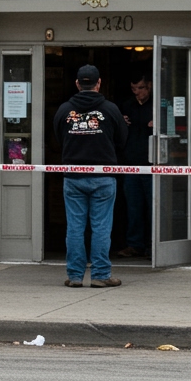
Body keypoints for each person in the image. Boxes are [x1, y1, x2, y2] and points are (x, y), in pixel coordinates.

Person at [54, 65, 127, 288]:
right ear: (99, 83)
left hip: (73, 175)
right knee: (101, 227)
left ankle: (75, 276)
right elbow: (122, 139)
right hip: (103, 175)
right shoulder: (111, 109)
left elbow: (59, 137)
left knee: (75, 227)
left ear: (77, 83)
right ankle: (100, 275)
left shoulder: (64, 110)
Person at [116, 73, 153, 258]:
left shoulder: (158, 105)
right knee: (133, 206)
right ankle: (135, 244)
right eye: (134, 89)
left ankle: (154, 245)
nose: (137, 92)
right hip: (131, 164)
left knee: (153, 207)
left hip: (153, 164)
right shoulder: (126, 106)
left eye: (141, 88)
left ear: (150, 86)